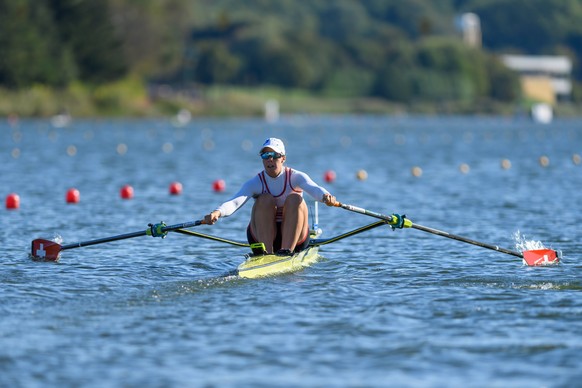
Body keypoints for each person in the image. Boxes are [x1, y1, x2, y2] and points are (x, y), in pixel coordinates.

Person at [203, 137, 336, 255]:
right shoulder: (256, 182)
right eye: (265, 155)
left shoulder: (296, 177)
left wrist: (326, 197)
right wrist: (217, 212)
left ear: (283, 158)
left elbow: (315, 189)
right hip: (261, 237)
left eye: (274, 155)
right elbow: (234, 202)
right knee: (265, 199)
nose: (270, 159)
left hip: (296, 239)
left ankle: (287, 250)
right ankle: (266, 253)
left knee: (295, 198)